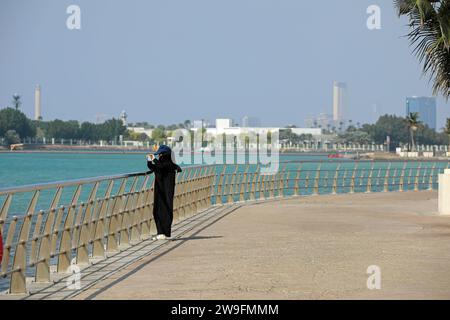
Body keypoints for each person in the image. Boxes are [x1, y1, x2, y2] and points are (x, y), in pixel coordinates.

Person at [147, 145, 182, 240]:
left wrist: (154, 159)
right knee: (157, 210)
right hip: (159, 190)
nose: (159, 156)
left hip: (166, 191)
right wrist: (149, 161)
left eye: (160, 155)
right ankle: (160, 233)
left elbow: (162, 166)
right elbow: (153, 167)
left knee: (165, 210)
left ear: (166, 155)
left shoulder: (169, 164)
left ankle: (164, 233)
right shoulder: (163, 164)